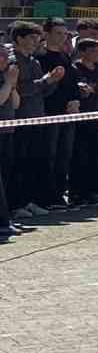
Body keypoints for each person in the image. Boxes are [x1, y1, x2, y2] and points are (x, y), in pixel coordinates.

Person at [11, 20, 66, 216]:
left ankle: (30, 200)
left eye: (37, 37)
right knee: (18, 163)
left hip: (37, 117)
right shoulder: (13, 61)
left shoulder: (34, 61)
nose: (37, 41)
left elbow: (42, 91)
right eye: (32, 37)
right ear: (19, 39)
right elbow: (19, 89)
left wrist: (53, 80)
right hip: (19, 120)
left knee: (34, 162)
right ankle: (16, 204)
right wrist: (44, 80)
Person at [37, 18, 87, 210]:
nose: (62, 37)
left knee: (63, 157)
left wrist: (76, 100)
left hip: (68, 115)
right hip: (49, 114)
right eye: (58, 33)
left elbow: (71, 84)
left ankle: (58, 195)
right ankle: (46, 197)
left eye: (65, 33)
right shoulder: (40, 57)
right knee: (48, 156)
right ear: (46, 34)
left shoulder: (65, 57)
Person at [70, 37, 98, 206]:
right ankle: (78, 193)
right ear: (82, 52)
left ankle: (94, 191)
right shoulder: (75, 69)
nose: (96, 54)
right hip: (82, 121)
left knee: (97, 157)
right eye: (92, 51)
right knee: (80, 157)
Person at [0, 50, 26, 238]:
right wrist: (9, 82)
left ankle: (6, 215)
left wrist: (13, 86)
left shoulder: (5, 77)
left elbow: (15, 104)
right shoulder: (4, 79)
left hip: (8, 132)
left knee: (7, 175)